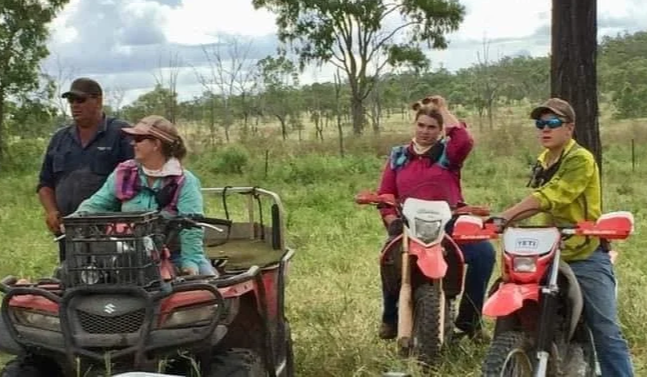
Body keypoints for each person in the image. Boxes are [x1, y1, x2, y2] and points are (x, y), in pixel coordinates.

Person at [495, 98, 633, 376]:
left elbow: (553, 196)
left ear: (569, 128)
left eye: (553, 123)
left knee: (605, 330)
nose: (545, 129)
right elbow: (541, 202)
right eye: (540, 123)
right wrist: (497, 223)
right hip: (550, 251)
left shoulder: (580, 158)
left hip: (584, 253)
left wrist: (505, 216)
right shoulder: (545, 159)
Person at [376, 95, 496, 342]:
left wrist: (443, 108)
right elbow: (386, 193)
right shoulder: (399, 156)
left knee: (484, 253)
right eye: (421, 125)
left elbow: (464, 139)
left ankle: (470, 320)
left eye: (432, 127)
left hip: (448, 223)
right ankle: (390, 318)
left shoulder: (449, 155)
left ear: (441, 131)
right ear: (414, 125)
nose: (425, 132)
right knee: (389, 257)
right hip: (408, 224)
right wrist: (389, 218)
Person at [73, 115, 215, 276]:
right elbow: (97, 203)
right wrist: (76, 217)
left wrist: (190, 262)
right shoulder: (124, 173)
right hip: (127, 255)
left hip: (174, 255)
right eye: (133, 138)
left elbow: (192, 227)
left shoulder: (184, 181)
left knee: (206, 286)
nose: (133, 143)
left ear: (156, 144)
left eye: (139, 139)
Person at [36, 77, 134, 261]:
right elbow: (45, 183)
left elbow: (136, 180)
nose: (74, 106)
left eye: (80, 100)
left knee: (113, 279)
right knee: (73, 279)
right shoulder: (60, 138)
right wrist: (51, 211)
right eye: (71, 101)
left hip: (110, 230)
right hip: (69, 229)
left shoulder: (122, 133)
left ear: (98, 100)